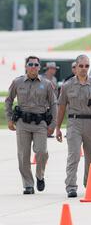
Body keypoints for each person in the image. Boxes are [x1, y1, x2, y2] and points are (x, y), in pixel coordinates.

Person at [55, 54, 91, 198]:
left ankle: (90, 184)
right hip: (74, 123)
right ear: (75, 68)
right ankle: (71, 186)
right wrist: (58, 128)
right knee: (74, 155)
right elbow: (61, 107)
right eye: (81, 66)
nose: (84, 69)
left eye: (86, 66)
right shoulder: (67, 85)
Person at [4, 56, 57, 194]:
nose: (33, 66)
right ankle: (28, 184)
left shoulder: (46, 84)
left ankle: (40, 175)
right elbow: (8, 100)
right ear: (26, 66)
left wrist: (53, 124)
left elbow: (53, 104)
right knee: (23, 155)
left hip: (40, 123)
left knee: (41, 152)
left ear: (39, 67)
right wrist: (9, 119)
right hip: (22, 123)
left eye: (36, 64)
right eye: (30, 64)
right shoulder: (17, 82)